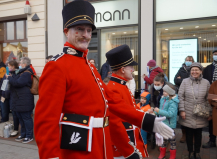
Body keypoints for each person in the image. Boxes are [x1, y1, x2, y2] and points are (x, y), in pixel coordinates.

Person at [34, 1, 174, 159]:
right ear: (67, 31)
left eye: (88, 30)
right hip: (78, 151)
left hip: (103, 147)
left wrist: (146, 120)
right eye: (80, 29)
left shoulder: (90, 66)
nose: (86, 35)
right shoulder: (57, 66)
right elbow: (46, 121)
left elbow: (111, 104)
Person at [106, 45, 149, 159]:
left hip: (131, 137)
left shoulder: (122, 85)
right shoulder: (113, 88)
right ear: (123, 69)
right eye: (131, 67)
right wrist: (128, 150)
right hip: (123, 143)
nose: (133, 70)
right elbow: (115, 123)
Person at [178, 62, 211, 159]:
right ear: (190, 71)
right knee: (188, 133)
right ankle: (190, 152)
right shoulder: (185, 82)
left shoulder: (206, 82)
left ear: (201, 71)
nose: (194, 72)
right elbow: (181, 96)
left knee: (198, 134)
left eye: (197, 70)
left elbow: (208, 98)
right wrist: (182, 110)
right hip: (187, 111)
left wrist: (209, 112)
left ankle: (197, 152)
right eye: (192, 70)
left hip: (201, 112)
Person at [7, 57, 34, 143]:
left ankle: (29, 136)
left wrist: (9, 78)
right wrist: (12, 75)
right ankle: (23, 134)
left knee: (26, 118)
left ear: (24, 64)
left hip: (24, 100)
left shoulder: (26, 73)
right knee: (21, 119)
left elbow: (17, 83)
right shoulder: (21, 72)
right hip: (19, 100)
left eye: (20, 63)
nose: (19, 65)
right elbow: (15, 81)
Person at [150, 83, 179, 159]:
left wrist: (158, 111)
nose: (163, 92)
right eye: (163, 91)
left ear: (170, 92)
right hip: (162, 124)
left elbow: (170, 114)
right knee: (163, 140)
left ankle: (172, 156)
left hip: (170, 125)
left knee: (172, 141)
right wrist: (154, 112)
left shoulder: (173, 102)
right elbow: (160, 109)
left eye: (165, 91)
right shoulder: (163, 98)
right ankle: (162, 154)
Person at [174, 55, 194, 143]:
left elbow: (193, 80)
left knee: (192, 115)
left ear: (193, 61)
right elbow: (175, 80)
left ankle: (192, 135)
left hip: (192, 95)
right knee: (183, 115)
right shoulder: (181, 69)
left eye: (190, 60)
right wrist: (185, 80)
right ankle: (184, 134)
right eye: (186, 60)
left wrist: (181, 79)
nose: (188, 61)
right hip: (182, 95)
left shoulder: (194, 69)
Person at [202, 50, 217, 148]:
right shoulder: (208, 68)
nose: (216, 56)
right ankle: (212, 140)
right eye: (215, 54)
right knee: (212, 120)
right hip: (212, 96)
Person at [7, 60, 20, 137]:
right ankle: (15, 129)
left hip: (17, 96)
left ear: (13, 66)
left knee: (18, 115)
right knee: (14, 114)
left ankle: (18, 130)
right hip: (11, 95)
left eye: (9, 66)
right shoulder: (10, 73)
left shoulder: (17, 73)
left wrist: (10, 78)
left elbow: (15, 82)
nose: (8, 67)